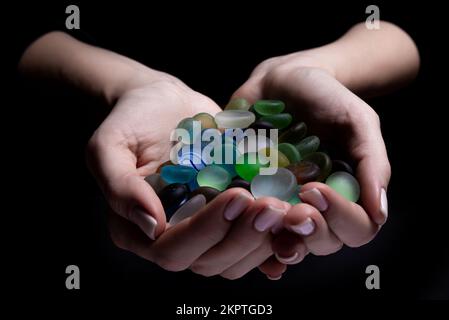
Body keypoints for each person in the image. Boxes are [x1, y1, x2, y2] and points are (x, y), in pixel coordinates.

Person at [18, 21, 419, 280]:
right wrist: (125, 83)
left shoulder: (288, 155)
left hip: (366, 268)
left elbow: (404, 31)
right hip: (90, 236)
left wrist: (319, 68)